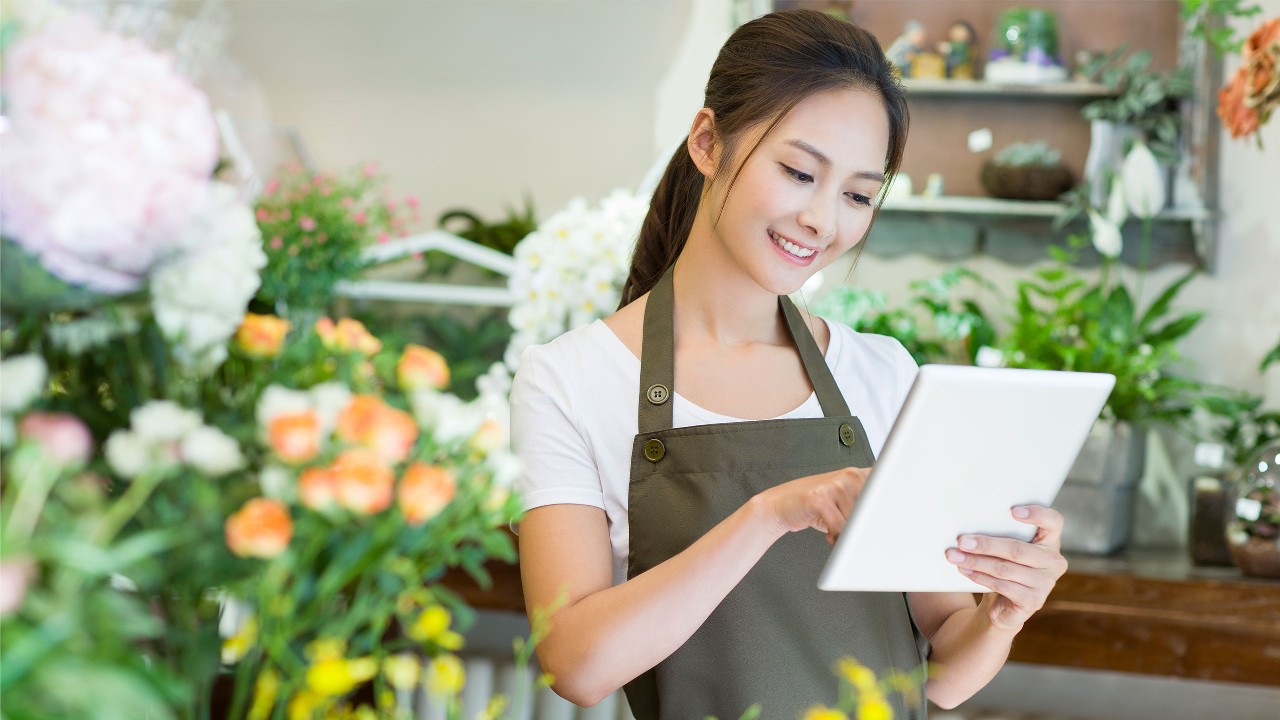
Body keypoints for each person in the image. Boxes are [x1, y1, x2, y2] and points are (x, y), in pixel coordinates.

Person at [511, 9, 1067, 719]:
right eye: (801, 172)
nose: (823, 220)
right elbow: (576, 666)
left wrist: (1004, 611)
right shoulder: (574, 379)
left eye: (859, 194)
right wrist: (769, 514)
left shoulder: (882, 374)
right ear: (708, 142)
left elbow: (945, 674)